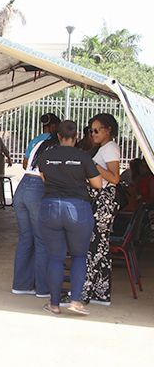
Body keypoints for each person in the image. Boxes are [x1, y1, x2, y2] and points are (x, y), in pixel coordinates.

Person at [37, 121, 103, 316]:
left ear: (58, 136)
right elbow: (98, 184)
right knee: (79, 256)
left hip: (50, 207)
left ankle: (54, 305)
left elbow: (44, 179)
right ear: (76, 137)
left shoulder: (46, 156)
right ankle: (75, 301)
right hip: (77, 208)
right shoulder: (83, 156)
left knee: (56, 258)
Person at [11, 130, 60, 298]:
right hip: (37, 189)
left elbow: (26, 164)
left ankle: (21, 285)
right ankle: (43, 288)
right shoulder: (56, 147)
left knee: (26, 238)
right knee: (42, 239)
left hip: (22, 187)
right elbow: (46, 175)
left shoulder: (39, 143)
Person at [82, 113, 122, 305]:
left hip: (104, 201)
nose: (93, 133)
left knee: (94, 246)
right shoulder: (103, 148)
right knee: (102, 249)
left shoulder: (110, 148)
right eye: (91, 130)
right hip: (100, 201)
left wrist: (94, 166)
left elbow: (115, 178)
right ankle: (101, 293)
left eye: (97, 130)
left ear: (109, 130)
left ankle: (84, 293)